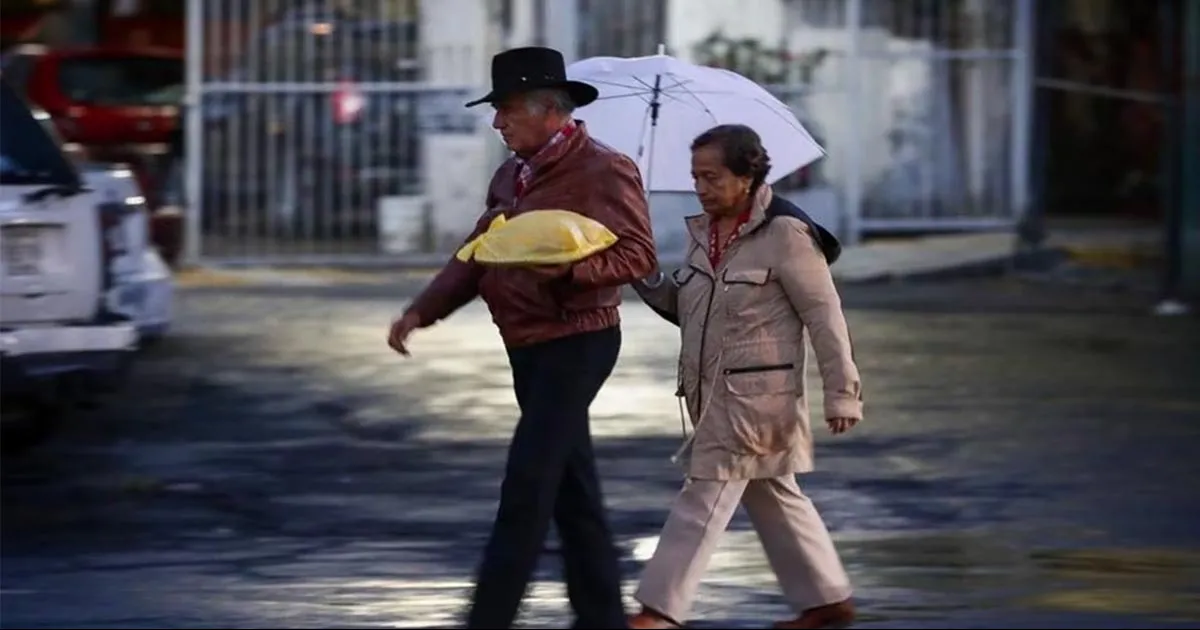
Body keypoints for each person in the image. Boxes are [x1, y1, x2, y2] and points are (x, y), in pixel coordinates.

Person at [386, 46, 657, 629]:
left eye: (507, 110)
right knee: (571, 489)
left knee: (528, 483)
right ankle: (602, 617)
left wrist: (570, 271)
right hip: (526, 345)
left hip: (578, 342)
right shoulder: (511, 176)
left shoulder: (603, 169)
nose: (497, 123)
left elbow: (639, 255)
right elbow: (477, 254)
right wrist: (422, 311)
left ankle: (489, 617)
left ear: (549, 110)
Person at [627, 124, 864, 630]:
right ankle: (826, 600)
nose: (700, 187)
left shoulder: (786, 233)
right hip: (710, 393)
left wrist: (842, 394)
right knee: (773, 492)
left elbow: (825, 317)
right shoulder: (704, 235)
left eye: (712, 177)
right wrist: (645, 275)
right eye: (695, 177)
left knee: (706, 493)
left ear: (747, 176)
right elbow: (689, 310)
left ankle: (659, 610)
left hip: (756, 401)